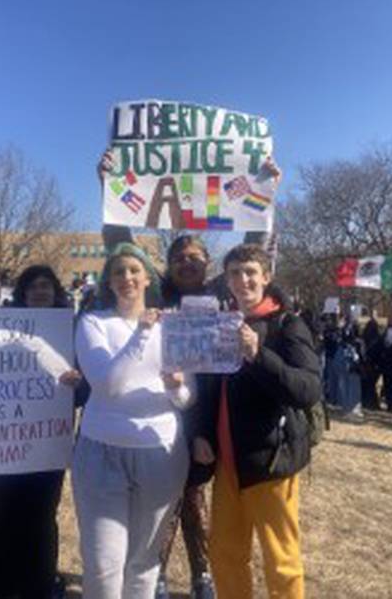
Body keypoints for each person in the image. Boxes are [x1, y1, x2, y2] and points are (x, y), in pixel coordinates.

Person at [192, 243, 320, 599]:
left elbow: (308, 389)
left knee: (281, 560)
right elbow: (208, 386)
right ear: (226, 279)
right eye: (234, 272)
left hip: (271, 462)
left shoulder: (287, 325)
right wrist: (201, 434)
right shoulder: (222, 321)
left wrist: (257, 355)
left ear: (266, 277)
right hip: (226, 463)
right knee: (224, 554)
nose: (243, 279)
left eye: (250, 272)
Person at [73, 242, 192, 599]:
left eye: (134, 270)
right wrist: (141, 333)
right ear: (108, 281)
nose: (127, 277)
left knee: (144, 561)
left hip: (161, 452)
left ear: (147, 278)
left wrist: (176, 388)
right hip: (100, 452)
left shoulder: (173, 326)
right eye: (118, 271)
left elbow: (188, 397)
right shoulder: (93, 323)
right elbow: (108, 384)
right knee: (102, 564)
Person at [0, 264, 81, 599]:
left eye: (46, 285)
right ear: (23, 294)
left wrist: (78, 383)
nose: (40, 292)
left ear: (55, 291)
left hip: (46, 439)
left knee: (42, 514)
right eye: (33, 287)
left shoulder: (70, 330)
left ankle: (38, 584)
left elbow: (87, 389)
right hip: (3, 438)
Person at [156, 235, 215, 599]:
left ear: (208, 261)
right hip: (158, 417)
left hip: (203, 415)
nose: (187, 263)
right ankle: (156, 574)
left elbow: (258, 255)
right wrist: (108, 191)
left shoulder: (220, 296)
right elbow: (120, 247)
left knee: (194, 500)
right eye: (179, 257)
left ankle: (202, 576)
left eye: (194, 256)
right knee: (163, 503)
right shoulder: (153, 296)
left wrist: (264, 197)